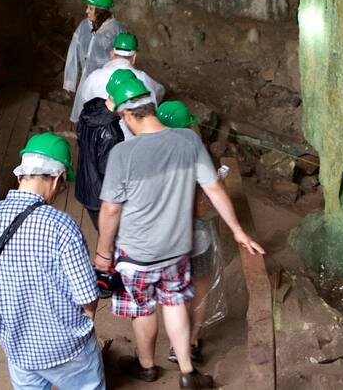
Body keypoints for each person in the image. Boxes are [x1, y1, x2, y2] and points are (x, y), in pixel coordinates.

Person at [94, 78, 265, 389]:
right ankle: (187, 372)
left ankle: (146, 367)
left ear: (128, 114)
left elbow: (110, 210)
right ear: (150, 106)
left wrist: (104, 253)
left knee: (143, 309)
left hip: (136, 251)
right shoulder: (188, 140)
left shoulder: (123, 153)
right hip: (176, 248)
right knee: (174, 305)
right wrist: (238, 231)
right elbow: (214, 189)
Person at [0, 132, 103, 390]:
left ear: (21, 175)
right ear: (57, 178)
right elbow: (88, 297)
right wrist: (83, 326)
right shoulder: (62, 226)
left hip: (16, 345)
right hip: (66, 347)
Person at [156, 100, 217, 364]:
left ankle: (175, 344)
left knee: (173, 290)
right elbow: (202, 206)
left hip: (164, 235)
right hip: (196, 233)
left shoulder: (149, 156)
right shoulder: (197, 154)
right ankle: (192, 340)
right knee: (200, 286)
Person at [73, 33, 165, 137]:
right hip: (132, 140)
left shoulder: (93, 77)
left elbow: (82, 105)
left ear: (112, 53)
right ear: (134, 57)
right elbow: (160, 91)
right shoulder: (142, 78)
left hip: (99, 137)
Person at [74, 69, 130, 230]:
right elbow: (109, 171)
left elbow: (80, 138)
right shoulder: (111, 133)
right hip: (100, 196)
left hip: (84, 183)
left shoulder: (90, 108)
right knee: (109, 233)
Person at [64, 0, 124, 122]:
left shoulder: (116, 30)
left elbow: (123, 58)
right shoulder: (84, 26)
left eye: (91, 8)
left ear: (101, 11)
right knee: (83, 111)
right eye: (87, 7)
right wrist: (70, 79)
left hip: (106, 81)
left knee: (103, 114)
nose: (87, 11)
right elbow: (73, 51)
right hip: (87, 77)